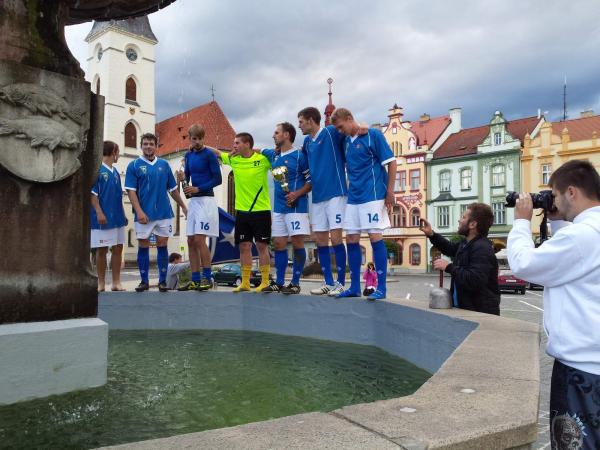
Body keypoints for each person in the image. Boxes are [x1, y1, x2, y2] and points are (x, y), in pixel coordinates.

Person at [507, 160, 600, 448]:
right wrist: (558, 220)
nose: (554, 201)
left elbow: (524, 264)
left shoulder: (582, 236)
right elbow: (570, 261)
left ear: (571, 192)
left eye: (555, 195)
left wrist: (522, 221)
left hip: (580, 370)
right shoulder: (588, 233)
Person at [330, 108, 396, 300]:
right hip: (353, 198)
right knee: (351, 238)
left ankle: (381, 287)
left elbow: (391, 163)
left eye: (341, 126)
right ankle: (354, 287)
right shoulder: (345, 141)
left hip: (373, 195)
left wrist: (390, 191)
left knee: (375, 237)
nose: (340, 131)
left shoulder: (372, 135)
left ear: (350, 119)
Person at [208, 133, 272, 292]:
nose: (234, 145)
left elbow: (277, 154)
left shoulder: (262, 160)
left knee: (262, 246)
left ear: (247, 144)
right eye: (234, 142)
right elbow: (215, 152)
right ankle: (244, 282)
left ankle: (265, 281)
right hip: (242, 213)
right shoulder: (233, 160)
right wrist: (198, 145)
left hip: (261, 211)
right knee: (244, 247)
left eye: (237, 143)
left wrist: (257, 149)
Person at [125, 132, 188, 292]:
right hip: (144, 215)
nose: (148, 146)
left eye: (151, 144)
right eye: (145, 144)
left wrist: (184, 207)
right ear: (141, 146)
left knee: (162, 245)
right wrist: (139, 212)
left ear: (156, 146)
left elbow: (173, 190)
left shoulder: (164, 165)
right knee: (143, 245)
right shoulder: (133, 166)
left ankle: (162, 282)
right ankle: (144, 281)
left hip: (164, 213)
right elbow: (131, 191)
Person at [297, 106, 348, 296]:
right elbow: (300, 159)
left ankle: (341, 282)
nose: (300, 126)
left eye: (301, 122)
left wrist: (362, 127)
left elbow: (349, 131)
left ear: (311, 121)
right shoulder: (307, 142)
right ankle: (328, 282)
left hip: (335, 193)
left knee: (335, 238)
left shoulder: (331, 132)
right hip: (317, 197)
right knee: (320, 241)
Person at [259, 122, 311, 294]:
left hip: (297, 207)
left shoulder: (300, 155)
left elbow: (311, 182)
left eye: (276, 132)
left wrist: (297, 194)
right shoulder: (273, 155)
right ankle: (279, 282)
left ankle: (295, 282)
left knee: (297, 243)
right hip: (279, 207)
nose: (273, 135)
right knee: (279, 243)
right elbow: (257, 150)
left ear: (287, 135)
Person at [419, 203, 500, 314]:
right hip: (467, 309)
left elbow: (474, 280)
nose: (459, 220)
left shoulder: (482, 248)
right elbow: (449, 248)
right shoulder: (466, 244)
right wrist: (431, 234)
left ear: (472, 224)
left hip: (479, 314)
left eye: (463, 217)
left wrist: (448, 267)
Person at [176, 124, 222, 291]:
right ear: (190, 138)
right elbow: (187, 177)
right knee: (190, 241)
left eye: (199, 139)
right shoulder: (188, 155)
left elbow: (218, 179)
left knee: (200, 240)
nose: (196, 142)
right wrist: (182, 178)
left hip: (206, 200)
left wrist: (199, 188)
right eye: (193, 139)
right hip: (194, 202)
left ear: (204, 138)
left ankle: (207, 278)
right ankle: (195, 280)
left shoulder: (209, 155)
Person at [90, 140, 128, 292]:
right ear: (114, 152)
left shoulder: (116, 172)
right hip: (102, 217)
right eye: (118, 152)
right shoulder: (97, 170)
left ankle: (116, 282)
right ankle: (101, 283)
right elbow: (92, 194)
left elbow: (119, 196)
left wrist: (124, 214)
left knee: (118, 248)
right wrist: (99, 212)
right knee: (102, 250)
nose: (118, 155)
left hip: (117, 217)